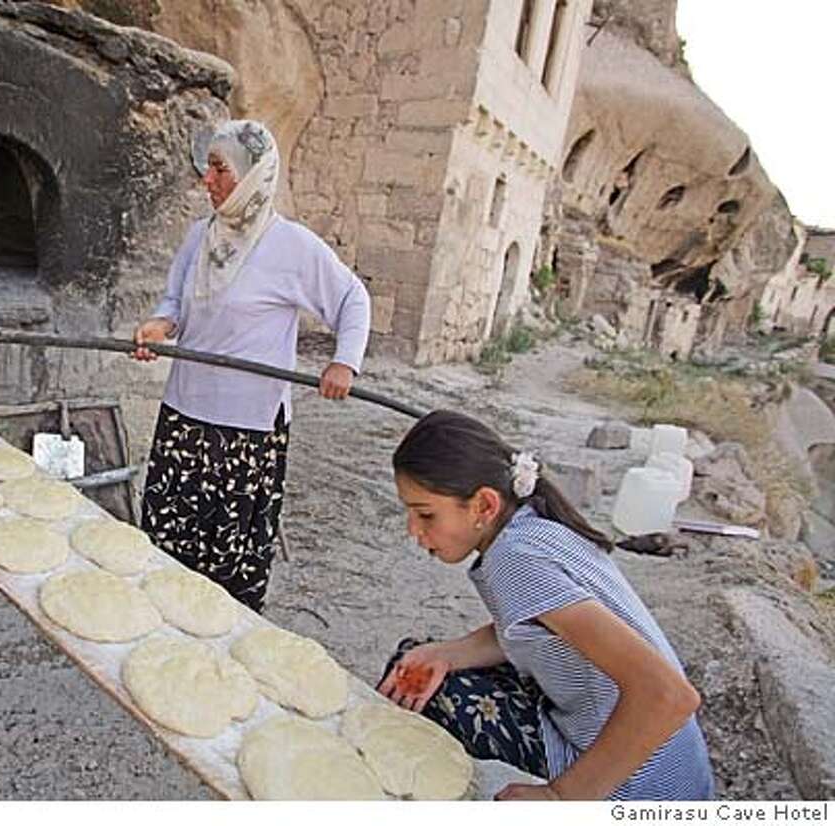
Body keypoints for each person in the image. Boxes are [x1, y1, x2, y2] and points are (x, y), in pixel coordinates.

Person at [377, 410, 714, 801]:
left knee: (439, 698)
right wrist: (448, 653)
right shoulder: (532, 526)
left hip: (640, 787)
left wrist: (561, 797)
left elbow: (669, 695)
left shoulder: (516, 561)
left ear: (484, 505)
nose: (413, 530)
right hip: (669, 773)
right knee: (416, 665)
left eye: (425, 514)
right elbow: (535, 628)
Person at [132, 119, 371, 612]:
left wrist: (343, 362)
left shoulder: (292, 246)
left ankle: (220, 650)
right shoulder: (200, 236)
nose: (208, 179)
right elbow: (174, 304)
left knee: (227, 555)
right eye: (209, 167)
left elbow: (352, 298)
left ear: (254, 174)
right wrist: (159, 327)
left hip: (245, 431)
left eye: (221, 169)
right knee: (166, 542)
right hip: (184, 416)